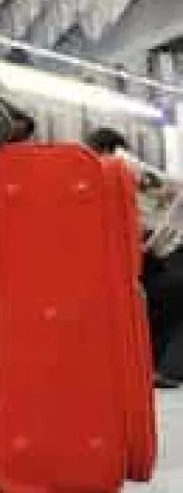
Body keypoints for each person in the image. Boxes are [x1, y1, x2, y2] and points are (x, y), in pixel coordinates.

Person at [85, 127, 182, 390]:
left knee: (165, 298)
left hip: (151, 257)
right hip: (144, 259)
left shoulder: (123, 171)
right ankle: (160, 368)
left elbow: (171, 195)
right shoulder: (117, 172)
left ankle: (160, 367)